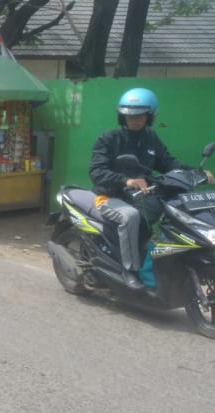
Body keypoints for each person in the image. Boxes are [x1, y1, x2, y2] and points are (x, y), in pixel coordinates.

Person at [90, 87, 215, 289]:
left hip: (142, 194)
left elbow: (168, 163)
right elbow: (97, 172)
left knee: (172, 213)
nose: (134, 120)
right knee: (130, 217)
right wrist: (126, 181)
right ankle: (129, 270)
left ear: (150, 116)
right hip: (110, 195)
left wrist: (195, 173)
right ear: (122, 116)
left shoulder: (150, 138)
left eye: (140, 116)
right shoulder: (109, 138)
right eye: (129, 116)